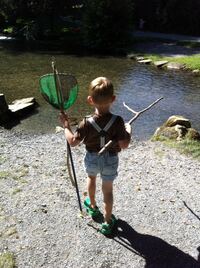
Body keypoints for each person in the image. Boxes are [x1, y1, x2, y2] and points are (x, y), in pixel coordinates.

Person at [60, 77, 131, 235]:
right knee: (107, 190)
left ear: (90, 100)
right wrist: (129, 131)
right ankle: (107, 221)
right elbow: (124, 145)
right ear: (113, 99)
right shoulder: (118, 121)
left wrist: (66, 126)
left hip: (92, 157)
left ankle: (92, 207)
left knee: (91, 178)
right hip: (111, 159)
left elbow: (72, 142)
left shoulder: (85, 122)